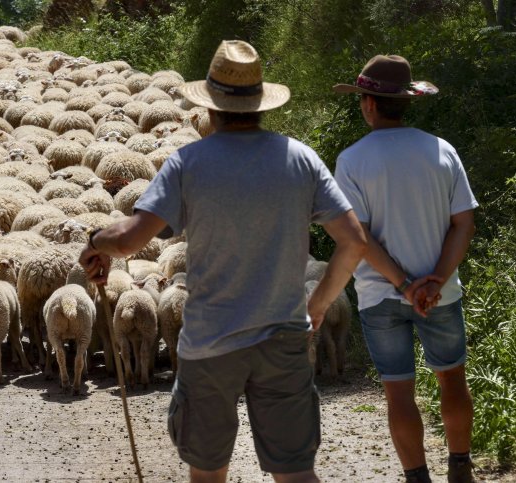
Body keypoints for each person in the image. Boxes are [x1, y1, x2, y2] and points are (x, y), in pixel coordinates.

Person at [79, 40, 367, 483]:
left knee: (208, 472)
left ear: (209, 108)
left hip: (210, 343)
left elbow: (132, 238)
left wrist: (96, 240)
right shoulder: (300, 159)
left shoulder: (188, 163)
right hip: (283, 338)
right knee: (295, 473)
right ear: (259, 105)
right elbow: (353, 241)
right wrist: (321, 302)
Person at [332, 55, 477, 483]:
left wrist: (404, 284)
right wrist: (435, 280)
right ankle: (461, 469)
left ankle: (417, 478)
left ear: (370, 104)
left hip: (381, 296)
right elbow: (463, 222)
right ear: (405, 102)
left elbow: (358, 237)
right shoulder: (441, 150)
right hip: (442, 294)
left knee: (398, 392)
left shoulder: (352, 160)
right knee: (452, 380)